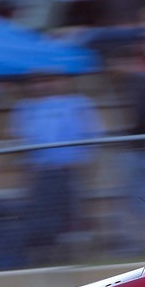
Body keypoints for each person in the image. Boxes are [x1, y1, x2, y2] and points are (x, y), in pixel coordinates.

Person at [9, 72, 103, 263]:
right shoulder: (25, 108)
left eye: (49, 80)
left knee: (70, 214)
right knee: (42, 216)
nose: (43, 86)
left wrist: (82, 163)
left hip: (70, 171)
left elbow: (92, 135)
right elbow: (21, 140)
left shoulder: (78, 103)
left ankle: (73, 256)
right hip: (41, 173)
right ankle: (43, 255)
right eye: (38, 81)